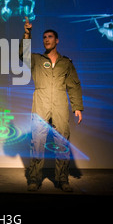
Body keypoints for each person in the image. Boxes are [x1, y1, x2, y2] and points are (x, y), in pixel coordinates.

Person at [20, 17, 83, 192]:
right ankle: (34, 179)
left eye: (49, 37)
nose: (46, 39)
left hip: (60, 103)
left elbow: (74, 85)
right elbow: (22, 54)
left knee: (62, 140)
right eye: (44, 37)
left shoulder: (66, 63)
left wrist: (77, 107)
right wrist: (27, 33)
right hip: (41, 100)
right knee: (37, 140)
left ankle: (63, 179)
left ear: (57, 40)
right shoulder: (37, 60)